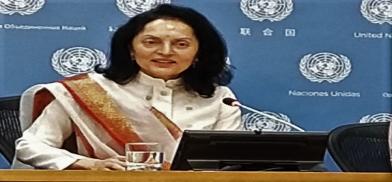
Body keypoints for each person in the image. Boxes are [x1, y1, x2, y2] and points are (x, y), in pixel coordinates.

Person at [13, 4, 242, 170]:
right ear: (131, 50)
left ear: (198, 54)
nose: (165, 51)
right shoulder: (90, 91)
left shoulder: (220, 98)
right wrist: (92, 165)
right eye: (151, 42)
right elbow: (31, 147)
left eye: (181, 44)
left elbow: (232, 162)